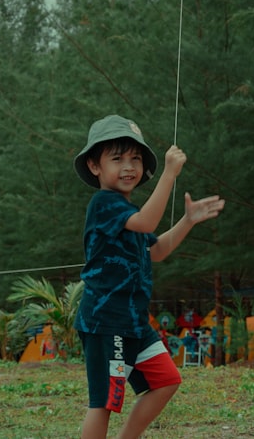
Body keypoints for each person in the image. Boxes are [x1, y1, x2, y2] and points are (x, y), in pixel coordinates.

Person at [73, 114, 225, 439]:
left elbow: (155, 250)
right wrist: (169, 174)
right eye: (117, 159)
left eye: (136, 159)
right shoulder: (104, 204)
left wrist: (187, 221)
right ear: (95, 166)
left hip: (135, 324)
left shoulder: (128, 211)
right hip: (106, 322)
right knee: (104, 402)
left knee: (166, 380)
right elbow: (147, 223)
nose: (129, 166)